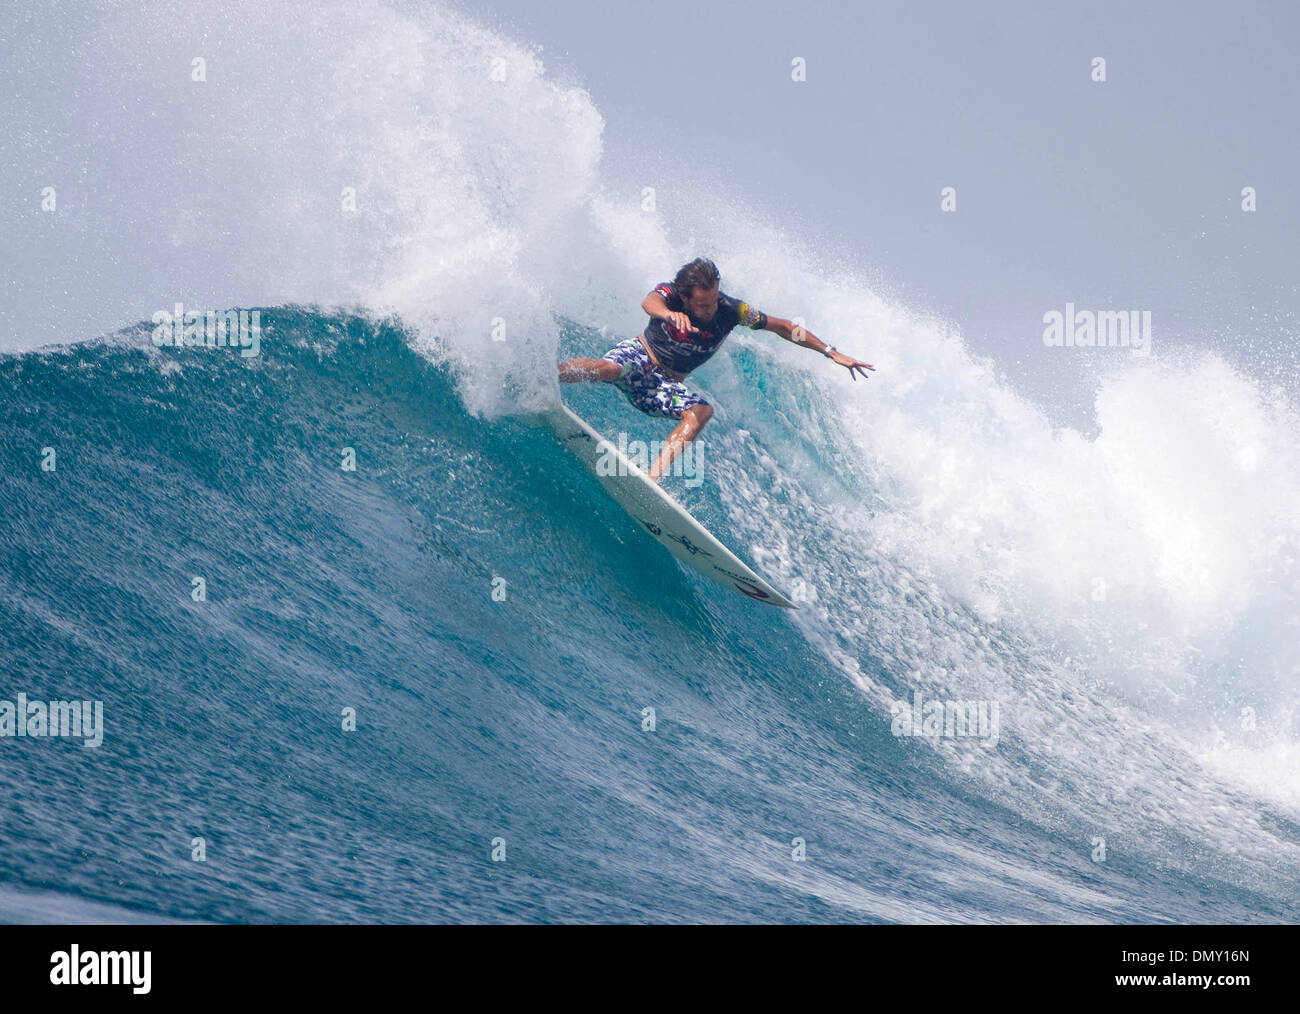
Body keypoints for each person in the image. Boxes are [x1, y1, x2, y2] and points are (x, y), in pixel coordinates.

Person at [557, 257, 874, 482]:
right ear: (685, 297)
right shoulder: (671, 295)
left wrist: (831, 352)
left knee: (702, 411)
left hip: (662, 386)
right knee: (611, 367)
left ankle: (651, 479)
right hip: (640, 355)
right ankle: (546, 375)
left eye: (713, 301)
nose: (711, 309)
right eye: (703, 305)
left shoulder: (733, 311)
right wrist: (668, 315)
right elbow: (648, 302)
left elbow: (783, 327)